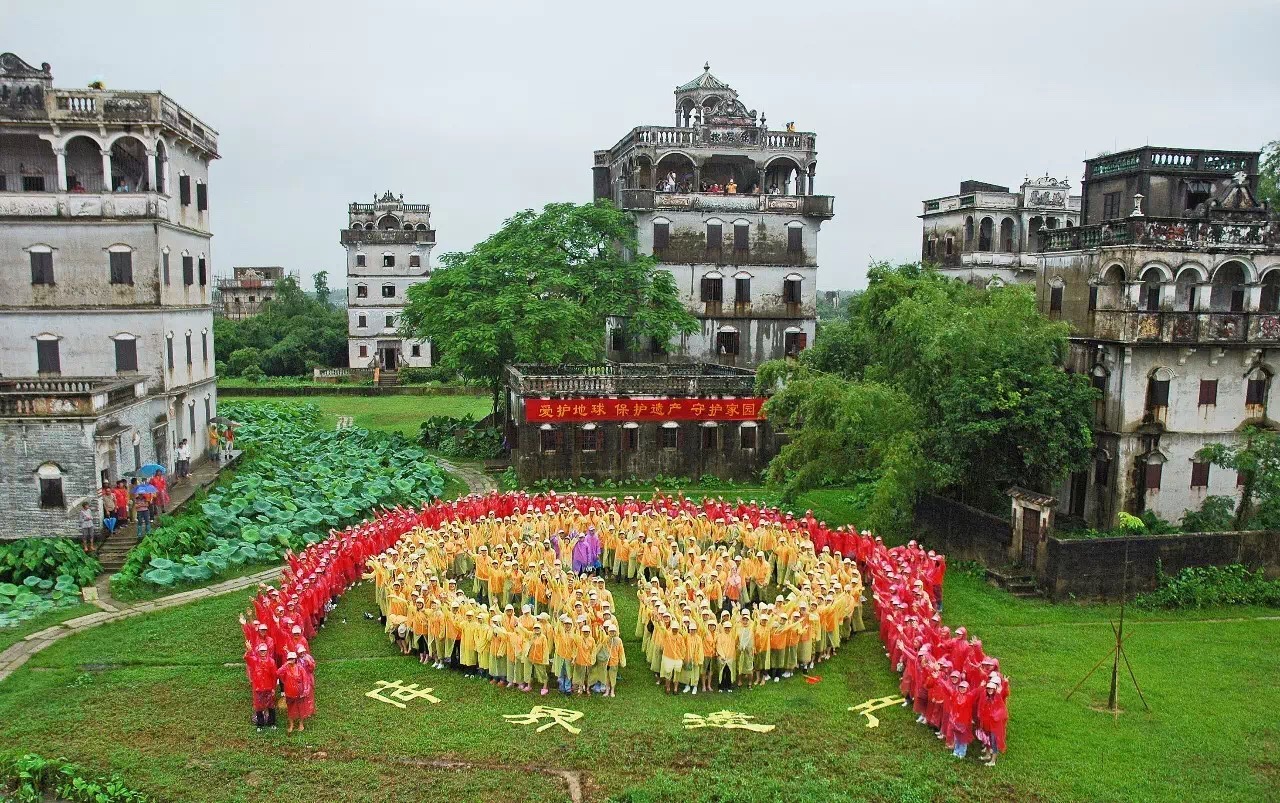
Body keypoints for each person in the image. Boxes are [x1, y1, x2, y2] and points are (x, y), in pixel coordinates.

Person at [278, 651, 309, 733]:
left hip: (299, 692)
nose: (291, 660)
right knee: (290, 709)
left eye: (292, 658)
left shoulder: (300, 668)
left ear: (295, 659)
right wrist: (285, 665)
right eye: (289, 658)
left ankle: (301, 724)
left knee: (300, 708)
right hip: (289, 693)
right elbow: (278, 673)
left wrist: (305, 690)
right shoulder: (285, 668)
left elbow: (305, 679)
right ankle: (291, 724)